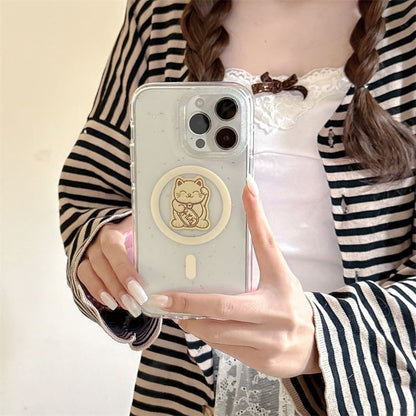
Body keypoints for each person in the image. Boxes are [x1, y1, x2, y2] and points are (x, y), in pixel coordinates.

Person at [58, 0, 416, 414]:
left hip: (369, 392)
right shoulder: (159, 15)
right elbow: (94, 187)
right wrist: (105, 246)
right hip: (184, 390)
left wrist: (324, 334)